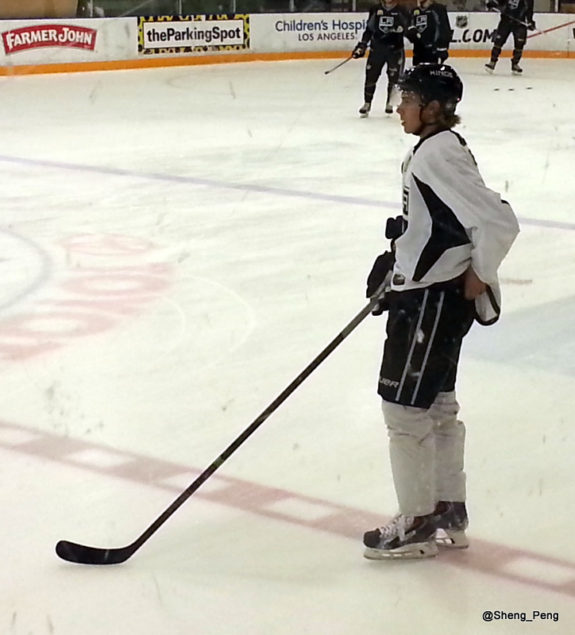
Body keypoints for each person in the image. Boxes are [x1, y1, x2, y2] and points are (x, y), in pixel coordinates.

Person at [363, 64, 520, 560]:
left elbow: (497, 221)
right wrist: (398, 263)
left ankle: (418, 519)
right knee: (437, 407)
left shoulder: (436, 155)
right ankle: (448, 509)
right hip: (430, 295)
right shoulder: (436, 149)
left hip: (430, 302)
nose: (399, 107)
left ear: (433, 108)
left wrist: (480, 272)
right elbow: (442, 223)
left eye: (408, 98)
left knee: (404, 413)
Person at [352, 0, 411, 117]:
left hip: (395, 50)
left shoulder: (402, 10)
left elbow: (409, 28)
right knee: (371, 76)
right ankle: (367, 103)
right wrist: (362, 44)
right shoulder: (375, 9)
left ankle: (390, 103)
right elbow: (369, 29)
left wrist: (402, 29)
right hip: (377, 49)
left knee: (394, 78)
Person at [485, 0, 536, 75]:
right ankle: (492, 62)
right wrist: (493, 4)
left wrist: (530, 21)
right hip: (506, 20)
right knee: (499, 41)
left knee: (519, 44)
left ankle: (515, 64)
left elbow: (529, 10)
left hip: (519, 23)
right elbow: (499, 2)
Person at [408, 0, 453, 66]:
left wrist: (442, 47)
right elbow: (409, 27)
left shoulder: (438, 9)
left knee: (431, 73)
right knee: (418, 74)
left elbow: (444, 28)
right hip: (418, 51)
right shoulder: (414, 11)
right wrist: (410, 33)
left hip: (433, 50)